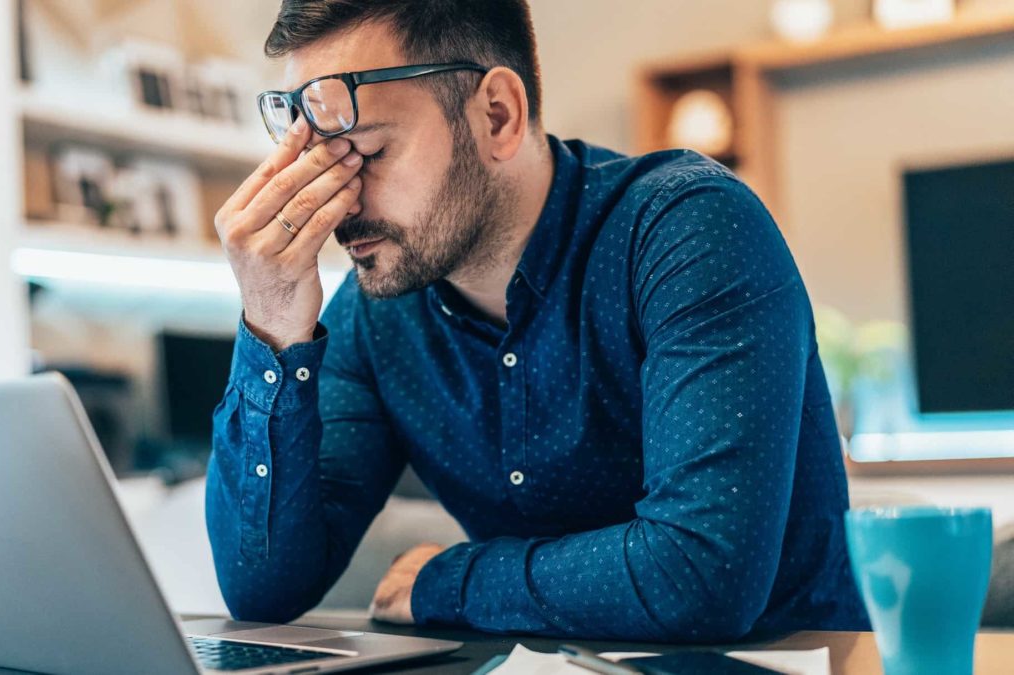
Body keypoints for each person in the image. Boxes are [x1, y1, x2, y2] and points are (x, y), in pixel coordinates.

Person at [207, 0, 868, 641]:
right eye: (320, 163)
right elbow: (263, 590)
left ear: (497, 114)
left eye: (370, 155)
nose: (341, 203)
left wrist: (454, 581)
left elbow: (700, 574)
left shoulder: (689, 230)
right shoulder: (377, 316)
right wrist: (270, 325)